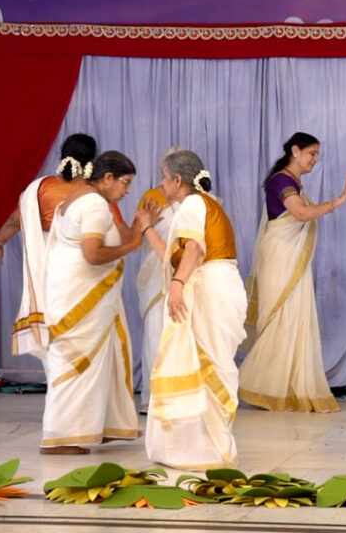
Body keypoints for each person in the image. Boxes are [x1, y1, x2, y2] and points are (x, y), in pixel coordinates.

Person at [40, 151, 156, 454]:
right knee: (79, 363)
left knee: (105, 359)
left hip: (76, 294)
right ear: (107, 178)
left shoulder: (79, 197)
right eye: (125, 183)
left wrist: (138, 226)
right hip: (82, 300)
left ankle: (100, 427)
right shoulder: (95, 205)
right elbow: (92, 254)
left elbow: (118, 238)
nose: (127, 190)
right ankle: (60, 438)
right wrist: (134, 243)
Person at [0, 134, 130, 358]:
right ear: (93, 161)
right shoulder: (95, 193)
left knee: (60, 338)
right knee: (89, 335)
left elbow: (14, 222)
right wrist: (142, 230)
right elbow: (122, 233)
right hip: (89, 269)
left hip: (53, 274)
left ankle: (63, 384)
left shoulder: (40, 189)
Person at [141, 151, 246, 470]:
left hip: (209, 287)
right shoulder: (205, 205)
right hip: (218, 284)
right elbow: (175, 256)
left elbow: (194, 249)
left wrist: (176, 285)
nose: (161, 184)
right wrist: (148, 229)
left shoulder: (192, 204)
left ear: (177, 180)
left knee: (207, 361)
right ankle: (201, 446)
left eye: (163, 177)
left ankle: (207, 449)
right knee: (208, 362)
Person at [238, 132, 346, 412]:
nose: (315, 160)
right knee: (280, 316)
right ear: (295, 150)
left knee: (295, 317)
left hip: (292, 259)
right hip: (279, 256)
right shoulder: (281, 180)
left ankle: (285, 388)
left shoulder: (294, 182)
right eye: (312, 153)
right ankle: (262, 387)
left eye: (317, 155)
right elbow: (300, 213)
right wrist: (337, 202)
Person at [134, 146, 185, 412]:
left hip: (185, 275)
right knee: (155, 331)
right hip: (155, 276)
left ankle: (181, 394)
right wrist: (148, 224)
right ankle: (154, 398)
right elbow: (136, 236)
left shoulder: (196, 198)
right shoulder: (151, 197)